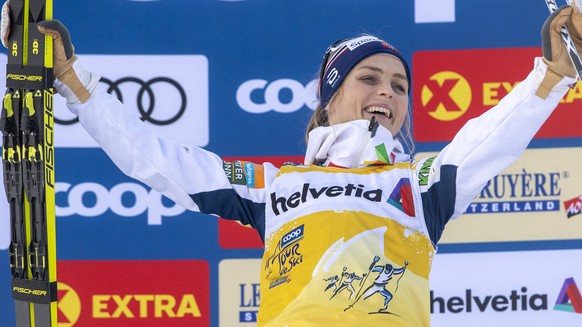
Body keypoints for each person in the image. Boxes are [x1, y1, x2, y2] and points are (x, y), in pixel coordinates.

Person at [2, 2, 582, 326]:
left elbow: (493, 135)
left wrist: (554, 73)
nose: (388, 93)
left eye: (400, 85)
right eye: (370, 78)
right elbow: (156, 161)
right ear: (329, 98)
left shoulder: (420, 185)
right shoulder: (275, 188)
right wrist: (74, 82)